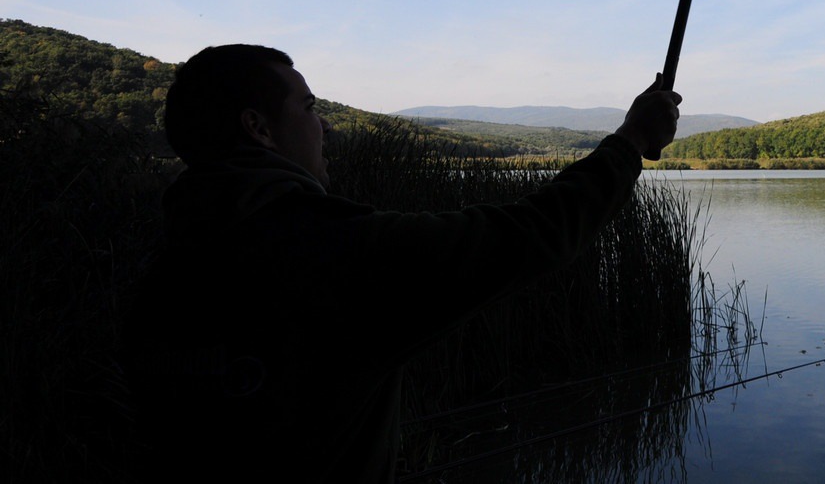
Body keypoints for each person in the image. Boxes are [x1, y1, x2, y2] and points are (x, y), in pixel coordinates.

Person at [123, 44, 681, 483]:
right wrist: (629, 144)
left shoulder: (162, 268)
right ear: (259, 128)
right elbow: (525, 236)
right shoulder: (333, 254)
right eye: (311, 109)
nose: (326, 127)